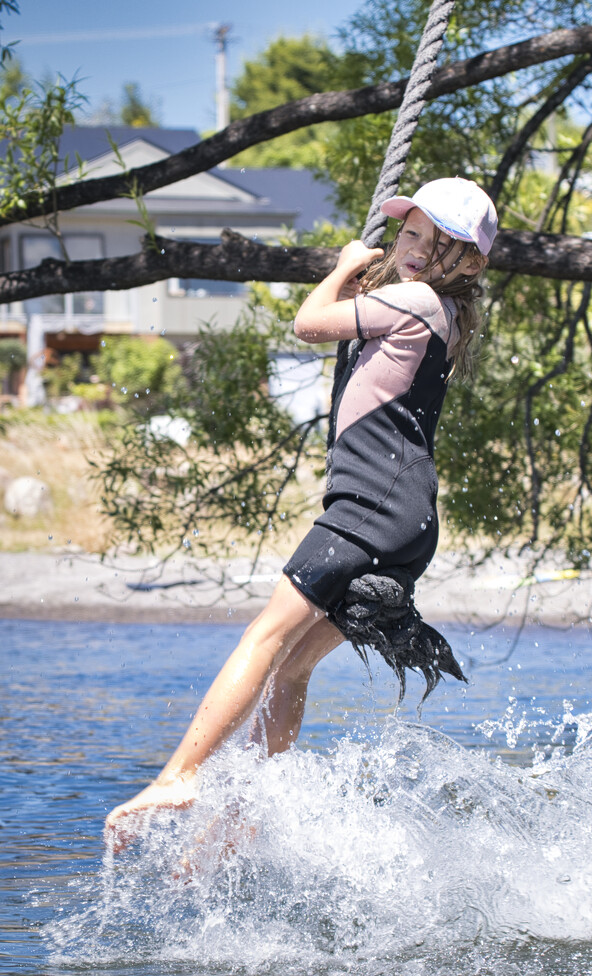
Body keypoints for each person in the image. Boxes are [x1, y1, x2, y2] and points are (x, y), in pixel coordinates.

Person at [105, 177, 498, 850]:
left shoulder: (412, 299)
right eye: (411, 234)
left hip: (367, 509)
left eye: (438, 244)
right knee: (292, 667)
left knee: (263, 639)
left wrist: (345, 268)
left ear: (466, 263)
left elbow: (307, 324)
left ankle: (180, 775)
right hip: (406, 524)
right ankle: (247, 813)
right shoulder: (444, 315)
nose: (417, 249)